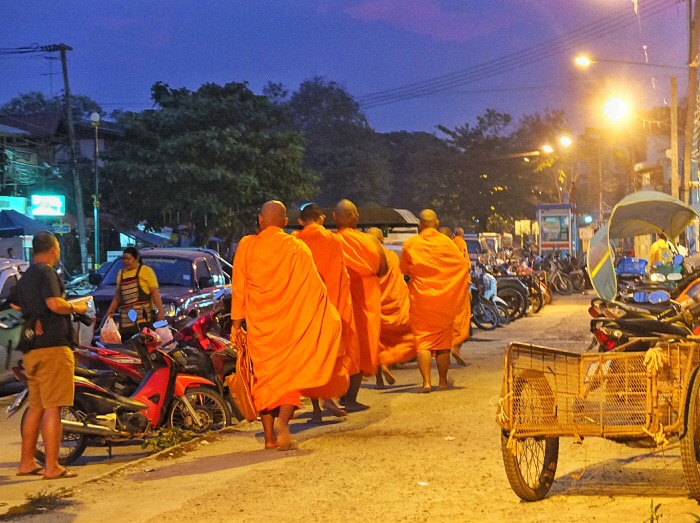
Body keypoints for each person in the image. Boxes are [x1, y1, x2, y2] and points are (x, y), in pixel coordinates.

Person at [230, 201, 342, 449]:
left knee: (265, 381)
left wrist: (236, 324)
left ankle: (269, 438)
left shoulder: (247, 246)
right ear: (284, 222)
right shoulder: (296, 247)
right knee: (292, 376)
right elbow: (315, 286)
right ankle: (283, 420)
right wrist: (326, 315)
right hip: (290, 326)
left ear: (260, 220)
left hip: (261, 328)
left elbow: (239, 287)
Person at [11, 231, 89, 479]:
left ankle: (26, 462)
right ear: (54, 249)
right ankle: (52, 466)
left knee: (36, 407)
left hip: (32, 350)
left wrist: (35, 316)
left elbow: (14, 304)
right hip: (53, 348)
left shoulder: (25, 277)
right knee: (53, 407)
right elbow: (55, 304)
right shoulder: (46, 272)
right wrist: (77, 306)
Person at [294, 203, 357, 423]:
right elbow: (342, 277)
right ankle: (328, 396)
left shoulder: (295, 241)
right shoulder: (333, 240)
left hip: (305, 308)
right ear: (321, 218)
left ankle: (317, 410)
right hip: (331, 306)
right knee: (330, 355)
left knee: (310, 356)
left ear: (302, 221)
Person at [401, 210, 471, 393]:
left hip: (421, 299)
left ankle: (426, 382)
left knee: (423, 341)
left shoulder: (410, 244)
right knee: (442, 343)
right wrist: (452, 287)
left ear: (419, 224)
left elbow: (405, 271)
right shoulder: (447, 243)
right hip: (444, 300)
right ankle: (442, 381)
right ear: (437, 223)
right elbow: (462, 265)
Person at [334, 199, 388, 411]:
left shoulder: (331, 240)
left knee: (345, 344)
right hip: (367, 297)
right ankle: (351, 399)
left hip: (339, 296)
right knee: (363, 345)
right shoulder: (371, 241)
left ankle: (337, 393)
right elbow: (383, 269)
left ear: (334, 218)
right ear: (356, 217)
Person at [367, 228, 416, 389]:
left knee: (377, 341)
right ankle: (389, 361)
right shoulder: (391, 256)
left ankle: (379, 379)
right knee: (407, 335)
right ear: (382, 240)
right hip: (393, 303)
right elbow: (399, 278)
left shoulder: (365, 256)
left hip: (373, 303)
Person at [105, 247, 165, 338]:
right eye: (124, 259)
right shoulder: (121, 273)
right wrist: (111, 309)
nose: (126, 261)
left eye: (128, 259)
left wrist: (161, 311)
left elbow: (155, 293)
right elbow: (118, 295)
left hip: (143, 318)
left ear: (136, 258)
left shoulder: (146, 271)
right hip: (126, 320)